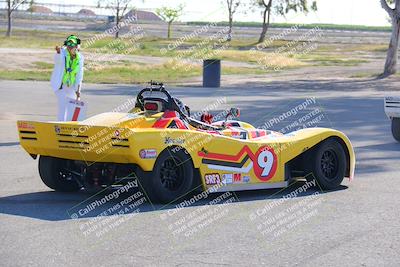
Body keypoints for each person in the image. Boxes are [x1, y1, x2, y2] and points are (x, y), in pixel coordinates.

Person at [50, 35, 84, 121]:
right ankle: (60, 125)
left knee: (72, 106)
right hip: (60, 85)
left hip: (71, 86)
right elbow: (58, 61)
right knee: (63, 105)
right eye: (68, 45)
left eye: (72, 45)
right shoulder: (62, 53)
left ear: (76, 46)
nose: (70, 47)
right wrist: (58, 52)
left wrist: (78, 91)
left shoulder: (80, 58)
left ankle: (69, 126)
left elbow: (79, 75)